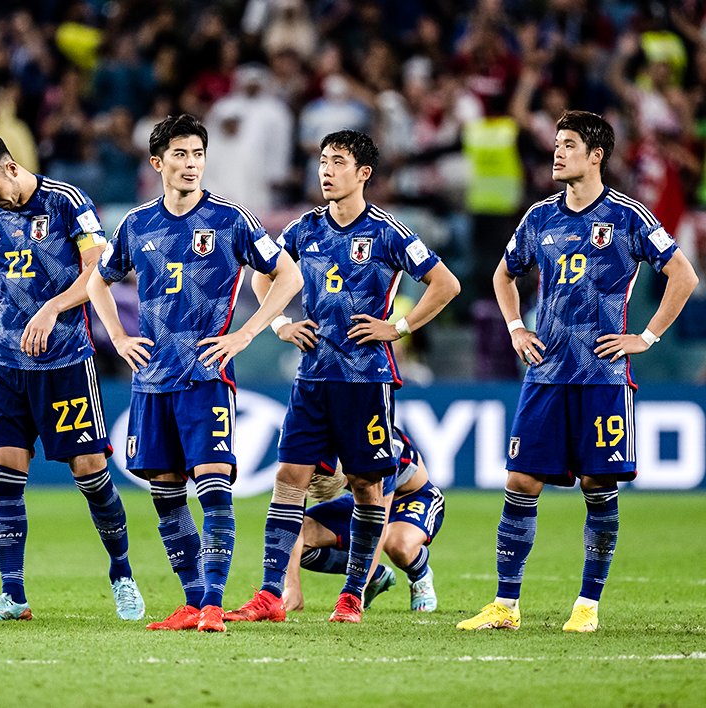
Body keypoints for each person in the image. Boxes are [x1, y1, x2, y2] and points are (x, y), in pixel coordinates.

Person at [458, 110, 699, 633]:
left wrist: (646, 337)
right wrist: (517, 326)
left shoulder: (630, 216)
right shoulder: (540, 217)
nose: (557, 152)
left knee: (597, 484)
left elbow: (683, 273)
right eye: (556, 143)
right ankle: (505, 605)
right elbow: (505, 274)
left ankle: (587, 606)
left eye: (568, 144)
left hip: (603, 377)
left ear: (596, 156)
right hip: (545, 375)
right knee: (520, 479)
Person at [225, 129, 459, 624]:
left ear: (363, 174)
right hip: (311, 377)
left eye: (337, 162)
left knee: (367, 486)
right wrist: (282, 323)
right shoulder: (303, 229)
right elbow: (261, 272)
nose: (326, 171)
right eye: (322, 162)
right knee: (288, 478)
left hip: (367, 381)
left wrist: (398, 326)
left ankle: (353, 595)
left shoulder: (389, 232)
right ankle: (272, 595)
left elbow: (446, 283)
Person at [86, 114, 302, 632]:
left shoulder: (231, 220)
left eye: (197, 155)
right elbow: (97, 282)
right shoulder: (137, 224)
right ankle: (190, 602)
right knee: (165, 493)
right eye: (180, 155)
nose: (190, 164)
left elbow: (287, 276)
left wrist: (245, 335)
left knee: (213, 489)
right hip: (152, 381)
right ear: (158, 162)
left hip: (206, 378)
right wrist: (117, 336)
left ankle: (211, 605)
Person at [0, 130, 145, 622]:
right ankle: (13, 595)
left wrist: (51, 308)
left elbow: (99, 273)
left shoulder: (66, 201)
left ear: (11, 167)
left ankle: (122, 574)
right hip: (9, 367)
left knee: (90, 473)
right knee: (4, 474)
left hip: (67, 363)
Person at [281, 426, 445, 614]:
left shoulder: (380, 453)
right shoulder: (307, 443)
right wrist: (291, 588)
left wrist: (356, 590)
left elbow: (378, 529)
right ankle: (377, 576)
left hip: (411, 497)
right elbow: (290, 520)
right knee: (300, 538)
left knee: (397, 546)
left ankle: (420, 575)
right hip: (362, 499)